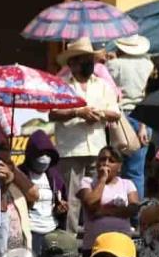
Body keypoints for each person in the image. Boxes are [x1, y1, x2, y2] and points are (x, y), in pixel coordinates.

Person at [48, 37, 122, 234]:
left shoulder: (103, 85)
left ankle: (94, 241)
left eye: (90, 59)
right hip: (71, 149)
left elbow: (115, 113)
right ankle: (70, 244)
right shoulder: (61, 85)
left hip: (97, 149)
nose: (89, 63)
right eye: (84, 59)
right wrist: (77, 112)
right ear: (72, 62)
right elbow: (52, 113)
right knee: (71, 200)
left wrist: (97, 113)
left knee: (97, 198)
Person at [105, 34, 153, 196]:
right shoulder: (149, 65)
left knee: (113, 166)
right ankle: (135, 212)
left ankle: (116, 204)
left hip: (120, 117)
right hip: (144, 117)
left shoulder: (113, 64)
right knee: (136, 171)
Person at [77, 146, 138, 257]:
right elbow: (91, 204)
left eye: (111, 161)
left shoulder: (127, 184)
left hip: (121, 245)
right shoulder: (87, 182)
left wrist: (105, 211)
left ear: (119, 167)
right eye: (102, 159)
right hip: (94, 247)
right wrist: (102, 180)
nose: (105, 163)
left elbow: (133, 208)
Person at [22, 130, 68, 257]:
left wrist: (61, 208)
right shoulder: (21, 174)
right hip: (30, 232)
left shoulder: (55, 176)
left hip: (51, 231)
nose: (44, 158)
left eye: (48, 154)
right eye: (40, 153)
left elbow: (61, 199)